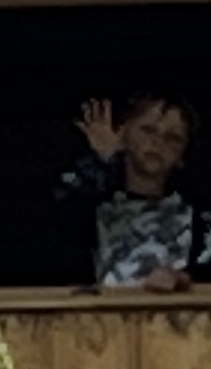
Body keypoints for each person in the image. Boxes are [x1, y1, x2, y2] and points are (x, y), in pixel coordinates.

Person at [64, 93, 199, 291]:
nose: (157, 142)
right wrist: (103, 161)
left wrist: (182, 280)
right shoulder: (93, 203)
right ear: (123, 133)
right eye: (148, 130)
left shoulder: (200, 217)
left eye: (173, 138)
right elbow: (66, 218)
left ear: (183, 155)